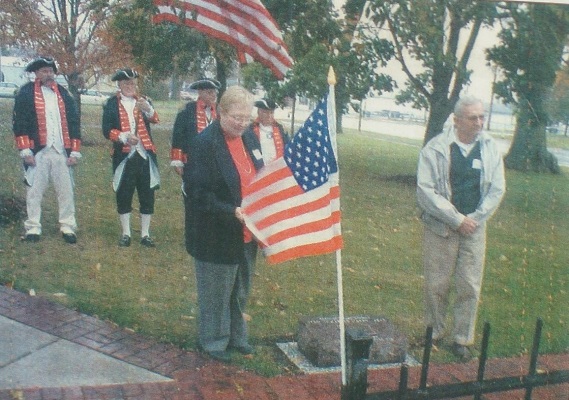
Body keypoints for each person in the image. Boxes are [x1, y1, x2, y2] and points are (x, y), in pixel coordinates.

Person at [416, 96, 505, 361]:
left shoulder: (490, 148)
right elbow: (425, 191)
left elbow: (497, 188)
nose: (479, 123)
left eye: (482, 117)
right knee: (437, 283)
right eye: (473, 118)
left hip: (474, 228)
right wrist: (456, 219)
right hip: (441, 227)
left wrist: (475, 219)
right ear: (456, 120)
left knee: (469, 285)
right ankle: (433, 333)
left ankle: (462, 339)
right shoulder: (435, 149)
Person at [185, 86, 263, 362]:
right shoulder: (204, 144)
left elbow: (259, 176)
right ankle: (214, 342)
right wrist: (231, 211)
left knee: (240, 288)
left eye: (246, 117)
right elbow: (197, 195)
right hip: (215, 233)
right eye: (235, 117)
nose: (242, 123)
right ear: (220, 113)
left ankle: (237, 336)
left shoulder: (251, 139)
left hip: (245, 232)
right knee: (216, 291)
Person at [13, 56, 81, 244]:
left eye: (51, 71)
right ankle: (33, 227)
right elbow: (20, 123)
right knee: (34, 191)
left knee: (66, 191)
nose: (48, 74)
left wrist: (74, 150)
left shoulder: (64, 93)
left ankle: (67, 226)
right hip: (38, 151)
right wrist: (25, 150)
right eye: (44, 71)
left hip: (61, 150)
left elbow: (74, 122)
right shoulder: (26, 93)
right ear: (36, 73)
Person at [102, 68, 160, 248]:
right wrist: (124, 137)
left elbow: (156, 119)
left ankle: (145, 234)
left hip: (145, 154)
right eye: (126, 83)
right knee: (124, 193)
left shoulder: (143, 101)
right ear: (119, 84)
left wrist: (148, 109)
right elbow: (107, 131)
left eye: (133, 83)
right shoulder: (111, 104)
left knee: (147, 193)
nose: (130, 86)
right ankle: (126, 233)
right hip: (124, 155)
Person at [170, 78, 221, 177]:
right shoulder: (187, 110)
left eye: (215, 92)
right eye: (210, 92)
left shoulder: (219, 111)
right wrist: (177, 161)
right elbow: (178, 136)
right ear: (200, 92)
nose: (214, 95)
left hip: (215, 160)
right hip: (193, 159)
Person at [244, 98, 288, 164]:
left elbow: (287, 147)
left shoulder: (281, 129)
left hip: (277, 168)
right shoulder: (250, 130)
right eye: (266, 112)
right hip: (258, 168)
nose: (269, 116)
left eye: (271, 112)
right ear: (259, 112)